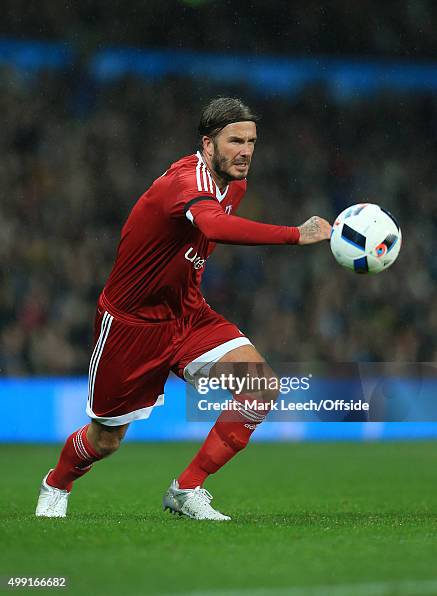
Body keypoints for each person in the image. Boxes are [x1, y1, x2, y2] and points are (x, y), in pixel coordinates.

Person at [35, 97, 331, 521]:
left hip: (188, 317)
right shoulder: (184, 182)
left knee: (259, 388)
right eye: (235, 141)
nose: (245, 151)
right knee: (106, 440)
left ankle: (187, 488)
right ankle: (56, 483)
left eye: (251, 141)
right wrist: (294, 235)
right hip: (132, 326)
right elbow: (212, 226)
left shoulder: (235, 183)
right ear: (207, 144)